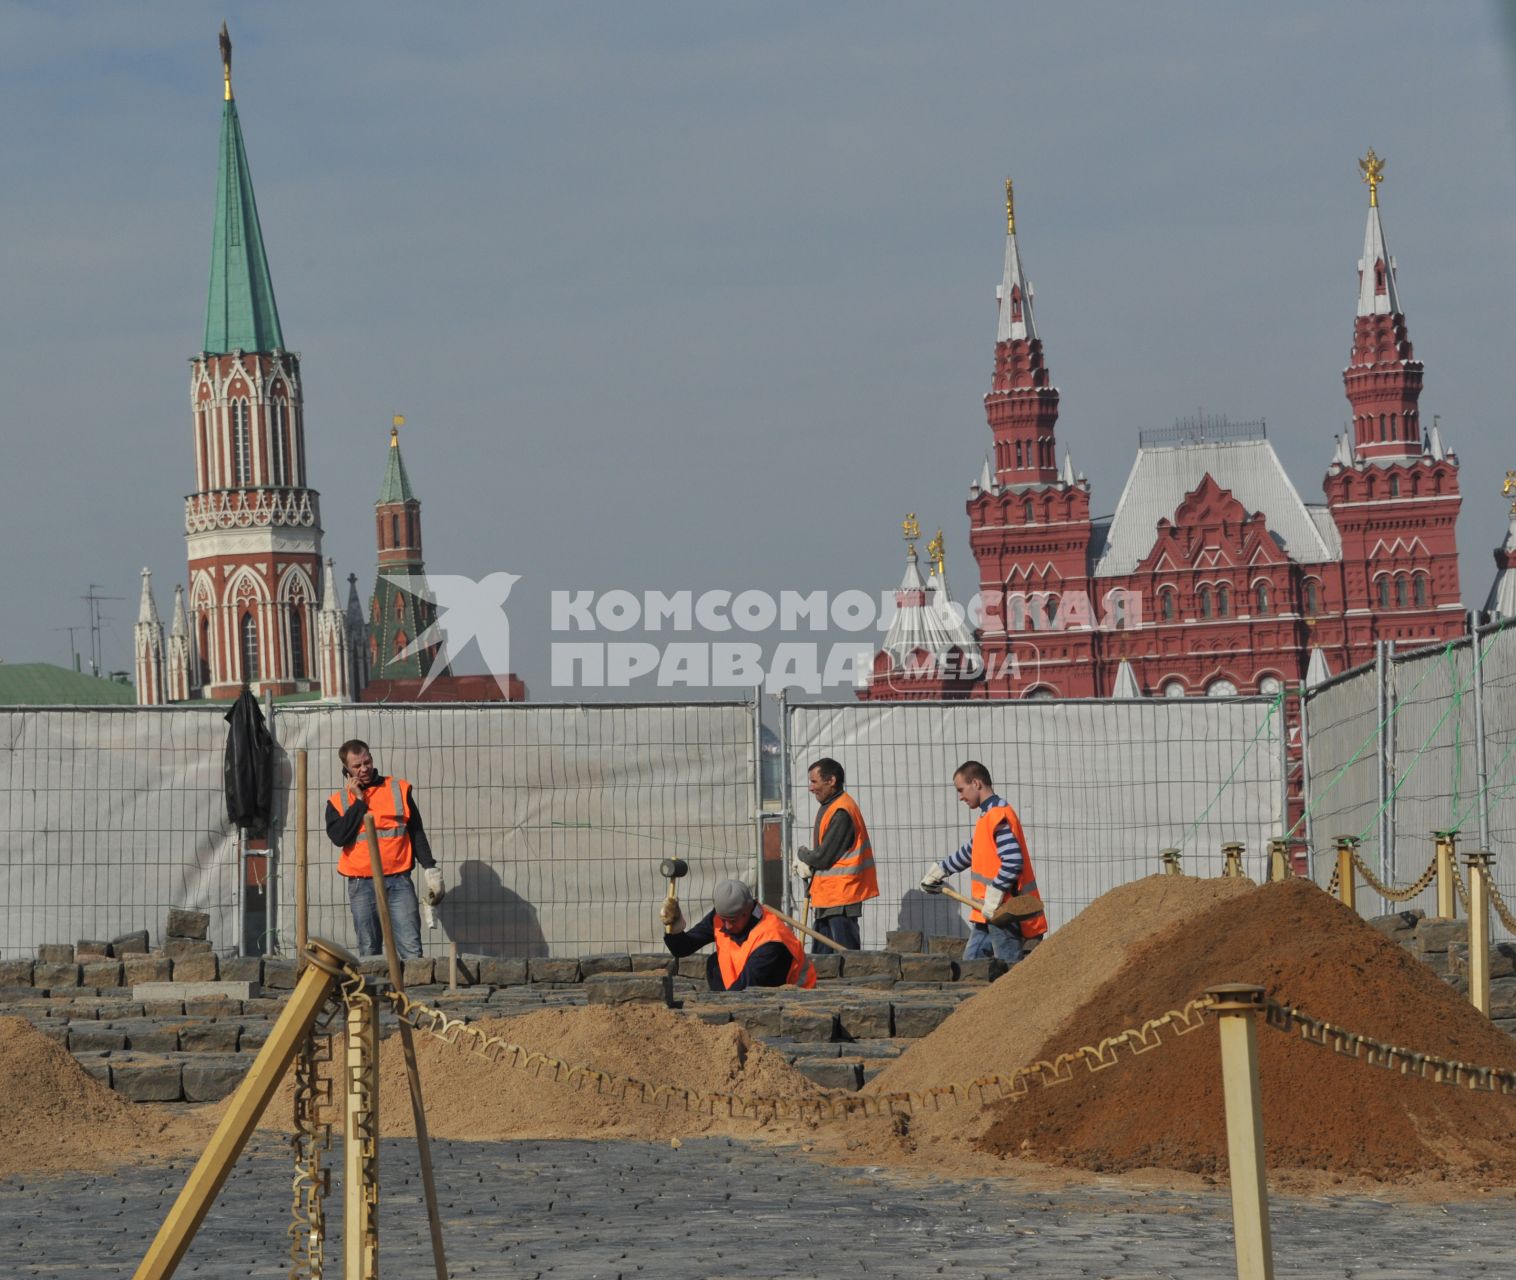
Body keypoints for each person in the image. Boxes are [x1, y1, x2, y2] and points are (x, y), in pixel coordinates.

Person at [324, 739, 445, 959]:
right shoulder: (338, 801)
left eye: (367, 762)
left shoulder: (398, 788)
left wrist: (430, 868)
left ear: (371, 758)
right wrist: (359, 802)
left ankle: (412, 992)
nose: (364, 769)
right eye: (356, 766)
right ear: (346, 770)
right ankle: (375, 993)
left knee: (410, 945)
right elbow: (339, 837)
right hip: (361, 882)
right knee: (369, 949)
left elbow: (415, 831)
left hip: (399, 879)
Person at [919, 760, 1047, 965]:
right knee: (972, 965)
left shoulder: (997, 815)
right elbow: (972, 851)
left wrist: (994, 895)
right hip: (987, 911)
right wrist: (940, 871)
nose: (960, 797)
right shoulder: (988, 815)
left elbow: (1013, 860)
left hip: (1004, 913)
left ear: (976, 783)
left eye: (961, 789)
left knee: (1007, 971)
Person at [661, 878, 816, 991]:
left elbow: (744, 989)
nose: (727, 926)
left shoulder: (771, 940)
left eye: (733, 921)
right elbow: (683, 948)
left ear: (747, 911)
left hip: (794, 998)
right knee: (715, 964)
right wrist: (675, 928)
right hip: (744, 986)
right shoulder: (721, 917)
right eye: (723, 919)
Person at [790, 757, 877, 952]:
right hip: (829, 897)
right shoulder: (831, 806)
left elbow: (822, 858)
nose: (811, 788)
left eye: (814, 781)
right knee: (823, 961)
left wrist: (802, 853)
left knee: (846, 957)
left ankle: (854, 983)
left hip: (841, 899)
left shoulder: (841, 811)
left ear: (831, 781)